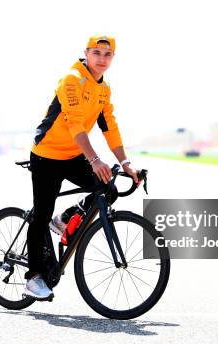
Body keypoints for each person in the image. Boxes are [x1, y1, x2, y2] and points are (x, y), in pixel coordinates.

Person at [23, 35, 141, 300]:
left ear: (113, 58)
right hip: (46, 154)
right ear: (86, 53)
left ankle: (65, 220)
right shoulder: (72, 79)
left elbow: (109, 126)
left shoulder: (103, 89)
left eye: (107, 54)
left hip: (74, 154)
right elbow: (75, 124)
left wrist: (126, 163)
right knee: (41, 213)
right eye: (96, 52)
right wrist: (95, 159)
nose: (102, 58)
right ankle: (33, 278)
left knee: (108, 189)